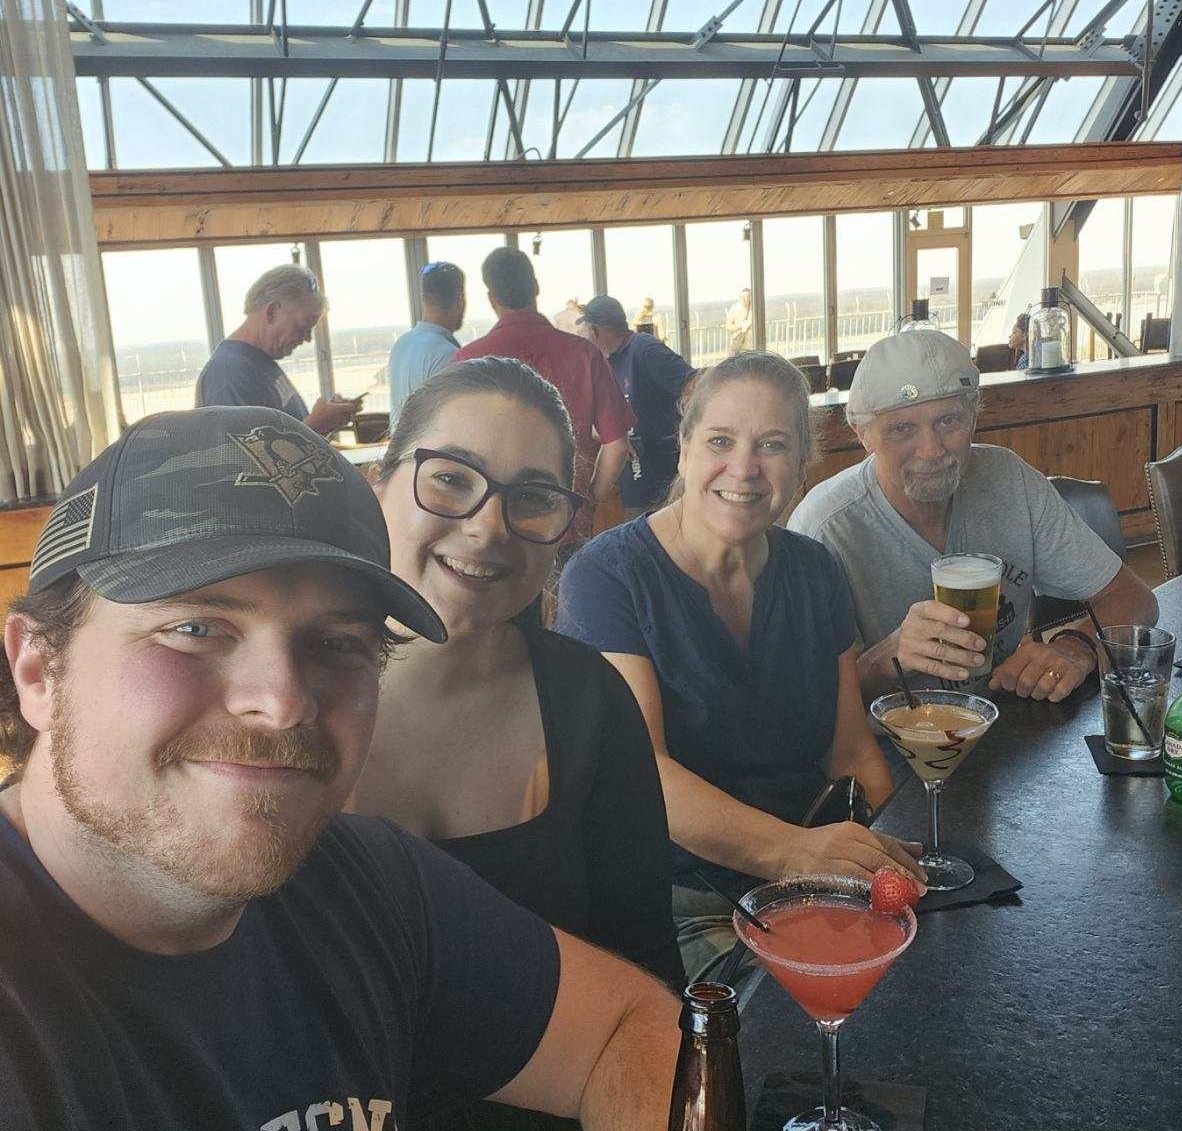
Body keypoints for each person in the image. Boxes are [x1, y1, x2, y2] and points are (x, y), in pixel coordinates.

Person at [0, 406, 680, 1130]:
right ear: (39, 669)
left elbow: (631, 1030)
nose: (284, 701)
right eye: (194, 629)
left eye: (337, 644)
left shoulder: (370, 885)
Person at [556, 353, 924, 983]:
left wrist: (901, 857)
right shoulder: (608, 576)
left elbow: (852, 753)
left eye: (772, 445)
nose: (745, 468)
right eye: (721, 441)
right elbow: (645, 775)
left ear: (801, 465)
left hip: (809, 879)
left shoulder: (815, 569)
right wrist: (797, 853)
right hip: (679, 902)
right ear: (684, 449)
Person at [359, 357, 685, 1001]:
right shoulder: (281, 693)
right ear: (378, 485)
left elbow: (647, 977)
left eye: (532, 498)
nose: (486, 528)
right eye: (450, 479)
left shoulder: (590, 705)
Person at [789, 328, 1159, 704]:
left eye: (949, 421)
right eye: (902, 429)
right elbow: (810, 704)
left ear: (974, 417)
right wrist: (890, 656)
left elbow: (1133, 598)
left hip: (1003, 727)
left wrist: (1076, 647)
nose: (931, 450)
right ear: (862, 433)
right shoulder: (825, 527)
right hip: (889, 748)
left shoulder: (1010, 480)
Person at [453, 248, 634, 538]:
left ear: (491, 299)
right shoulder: (584, 354)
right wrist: (588, 502)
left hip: (498, 521)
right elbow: (617, 445)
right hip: (566, 517)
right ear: (535, 287)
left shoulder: (469, 360)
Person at [195, 264, 361, 435]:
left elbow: (279, 437)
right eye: (302, 326)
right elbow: (244, 458)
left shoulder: (259, 362)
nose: (307, 338)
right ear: (272, 312)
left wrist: (325, 421)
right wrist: (316, 426)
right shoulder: (228, 374)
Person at [577, 295, 695, 518]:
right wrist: (611, 435)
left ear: (594, 331)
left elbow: (693, 385)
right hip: (634, 479)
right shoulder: (607, 362)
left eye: (583, 330)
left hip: (661, 474)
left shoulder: (644, 349)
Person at [388, 260, 466, 428]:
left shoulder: (401, 345)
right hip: (429, 453)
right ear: (460, 299)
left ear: (424, 299)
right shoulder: (448, 354)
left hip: (400, 451)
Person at [724, 289, 753, 356]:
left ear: (750, 298)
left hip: (752, 347)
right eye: (741, 297)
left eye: (746, 297)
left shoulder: (755, 309)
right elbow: (728, 326)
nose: (743, 300)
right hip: (739, 347)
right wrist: (741, 325)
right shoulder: (735, 308)